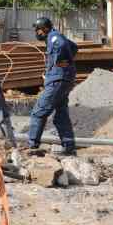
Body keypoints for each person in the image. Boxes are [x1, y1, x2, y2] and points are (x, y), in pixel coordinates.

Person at [25, 16, 77, 155]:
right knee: (61, 116)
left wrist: (59, 60)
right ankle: (69, 147)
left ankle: (32, 146)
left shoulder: (54, 37)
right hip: (63, 80)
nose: (37, 33)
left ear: (45, 29)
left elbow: (62, 45)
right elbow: (74, 47)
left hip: (57, 81)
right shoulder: (55, 36)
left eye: (38, 30)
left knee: (38, 112)